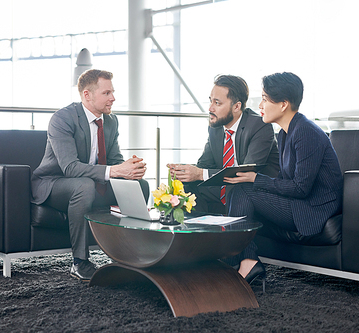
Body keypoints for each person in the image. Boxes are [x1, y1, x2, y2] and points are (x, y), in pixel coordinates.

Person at [225, 72, 343, 284]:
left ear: (283, 104)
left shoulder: (306, 132)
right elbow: (285, 180)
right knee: (239, 188)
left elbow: (300, 188)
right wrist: (255, 180)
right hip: (298, 203)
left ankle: (245, 263)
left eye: (265, 98)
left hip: (312, 210)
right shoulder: (286, 132)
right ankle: (243, 261)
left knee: (244, 189)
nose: (260, 105)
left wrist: (255, 179)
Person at [31, 69, 149, 281]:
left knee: (140, 186)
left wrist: (129, 169)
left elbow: (113, 160)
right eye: (106, 93)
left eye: (112, 92)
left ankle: (132, 255)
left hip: (91, 183)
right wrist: (115, 170)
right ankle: (80, 262)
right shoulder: (62, 119)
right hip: (54, 184)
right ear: (87, 95)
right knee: (83, 185)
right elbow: (70, 168)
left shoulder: (111, 121)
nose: (113, 97)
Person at [167, 74, 279, 214]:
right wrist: (184, 171)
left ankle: (229, 233)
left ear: (237, 106)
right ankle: (200, 230)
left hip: (252, 191)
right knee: (186, 185)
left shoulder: (259, 126)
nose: (210, 108)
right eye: (210, 101)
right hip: (224, 188)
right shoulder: (216, 127)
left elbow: (246, 173)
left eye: (217, 103)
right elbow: (204, 165)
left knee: (238, 188)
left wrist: (200, 173)